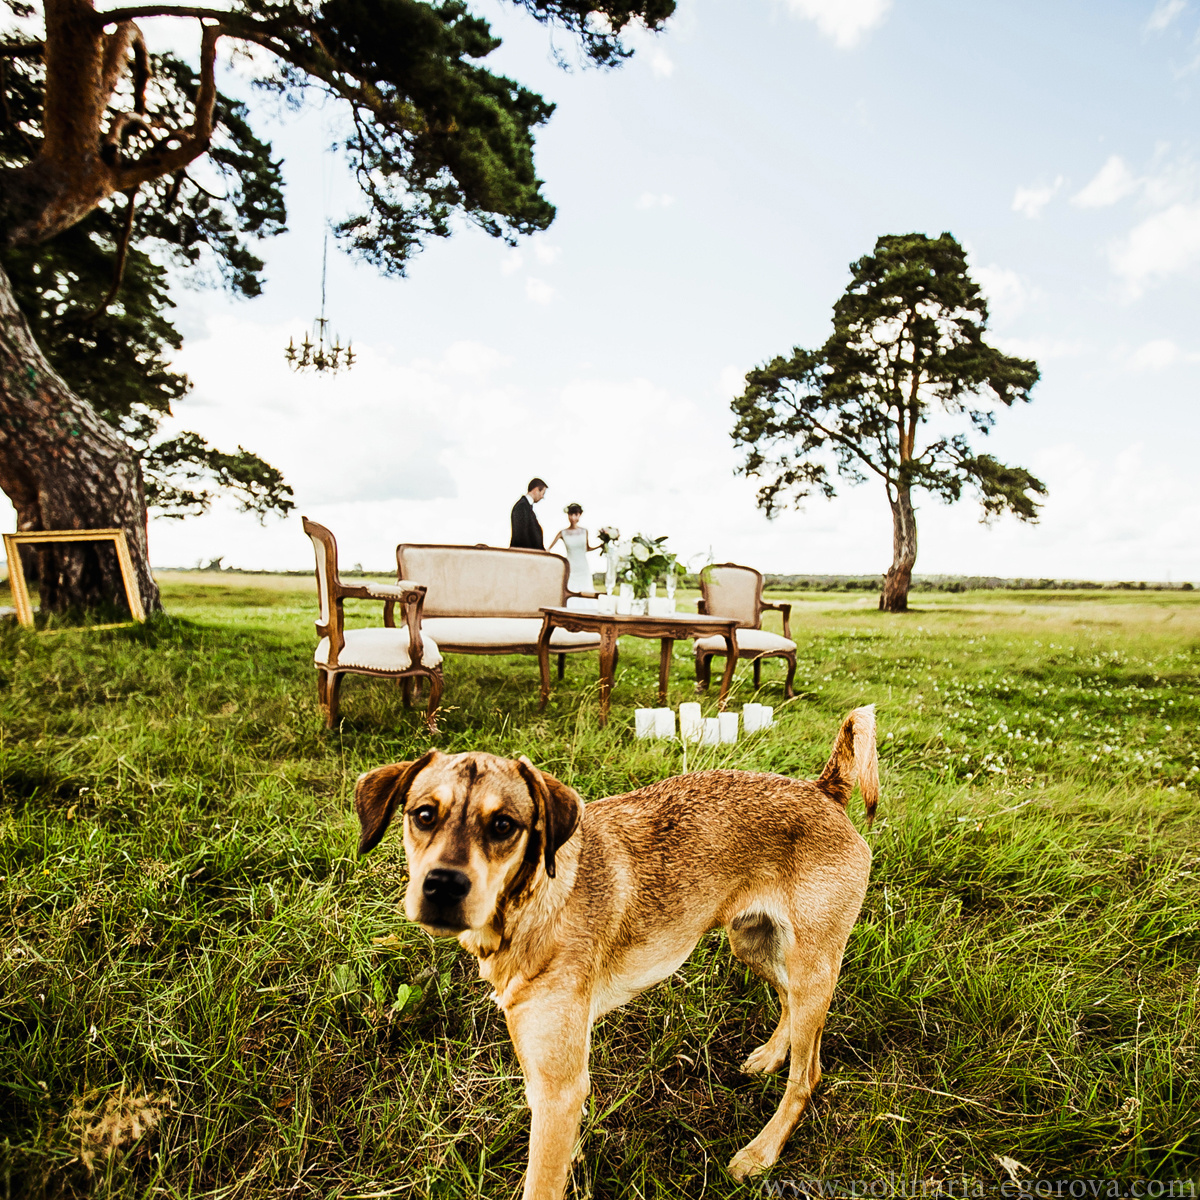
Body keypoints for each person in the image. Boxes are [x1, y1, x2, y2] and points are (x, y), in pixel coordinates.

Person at [547, 503, 601, 594]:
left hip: (583, 567)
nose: (573, 518)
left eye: (575, 515)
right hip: (570, 567)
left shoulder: (585, 531)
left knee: (585, 592)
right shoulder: (562, 532)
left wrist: (601, 546)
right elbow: (548, 549)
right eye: (570, 515)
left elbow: (587, 549)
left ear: (579, 515)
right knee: (570, 591)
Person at [510, 477, 547, 549]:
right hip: (525, 555)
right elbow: (520, 536)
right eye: (543, 493)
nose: (542, 497)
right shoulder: (521, 506)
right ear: (536, 490)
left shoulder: (527, 507)